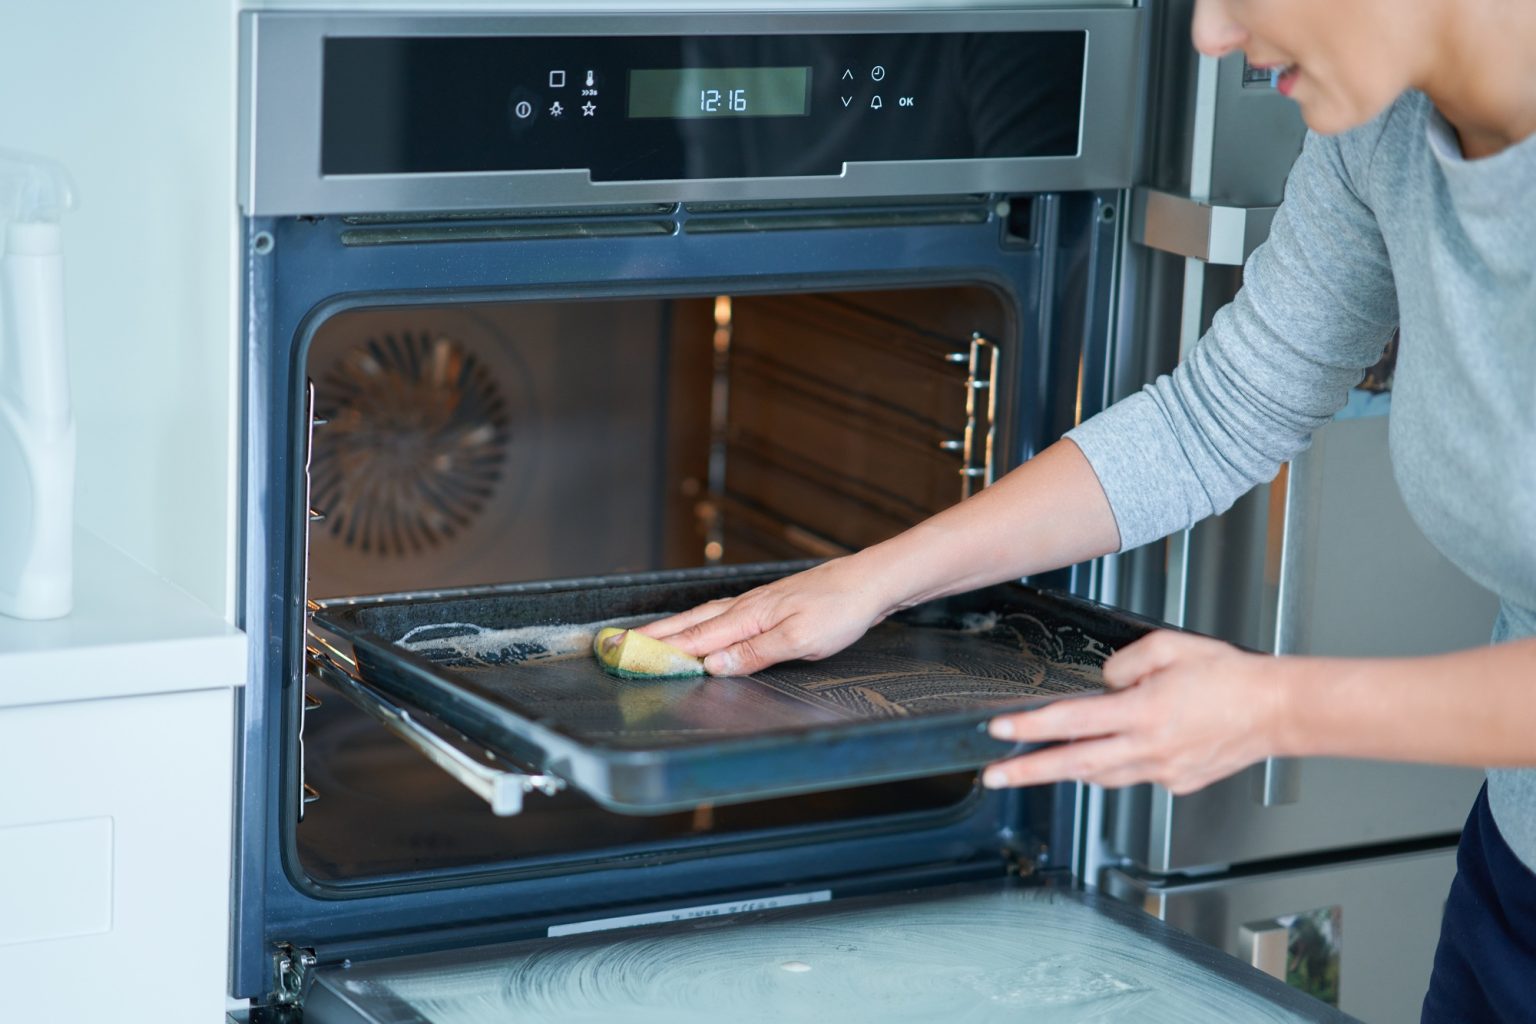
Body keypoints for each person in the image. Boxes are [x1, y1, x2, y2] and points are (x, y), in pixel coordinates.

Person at [643, 0, 1536, 1017]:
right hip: (1512, 874)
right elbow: (1217, 415)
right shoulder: (1381, 136)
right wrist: (872, 579)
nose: (1207, 36)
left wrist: (1277, 708)